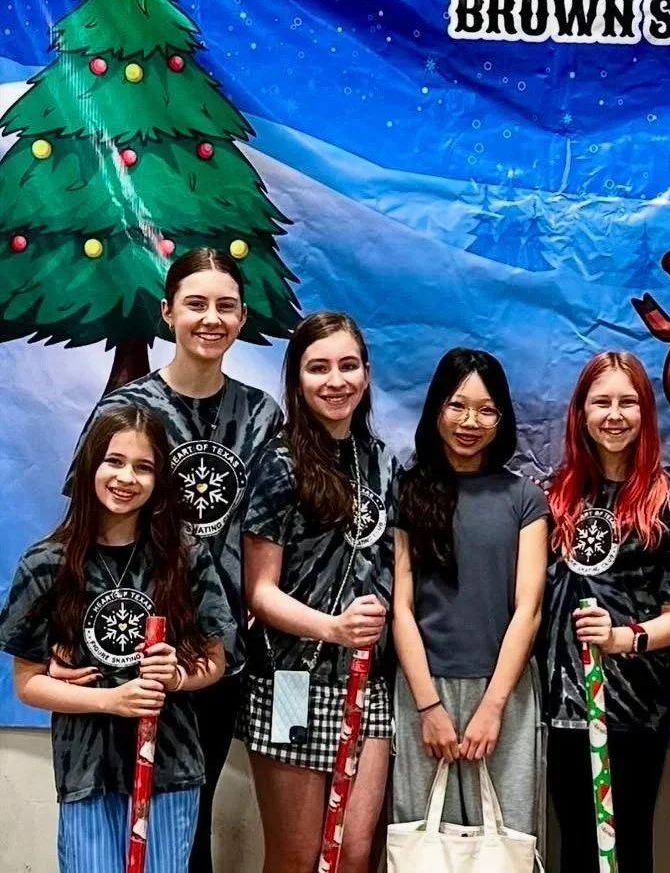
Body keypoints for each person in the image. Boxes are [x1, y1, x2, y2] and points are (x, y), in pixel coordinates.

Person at [58, 246, 283, 873]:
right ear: (168, 313)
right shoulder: (126, 410)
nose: (211, 318)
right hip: (126, 646)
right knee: (121, 824)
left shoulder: (262, 415)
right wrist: (64, 623)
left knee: (193, 821)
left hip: (212, 653)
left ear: (241, 319)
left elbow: (272, 533)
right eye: (196, 304)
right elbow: (80, 526)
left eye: (226, 306)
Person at [0, 406, 232, 873]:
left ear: (159, 479)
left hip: (170, 768)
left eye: (143, 467)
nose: (127, 477)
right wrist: (113, 701)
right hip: (88, 771)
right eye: (114, 461)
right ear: (90, 466)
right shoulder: (47, 563)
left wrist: (178, 678)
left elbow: (215, 662)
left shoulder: (184, 557)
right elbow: (27, 684)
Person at [239, 311, 396, 873]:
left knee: (355, 851)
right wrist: (331, 628)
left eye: (348, 366)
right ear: (297, 379)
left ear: (367, 373)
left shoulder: (380, 461)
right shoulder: (279, 462)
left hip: (369, 682)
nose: (336, 381)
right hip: (291, 681)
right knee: (298, 855)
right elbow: (259, 591)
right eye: (318, 368)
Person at [544, 351, 670, 873]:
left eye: (627, 402)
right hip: (565, 705)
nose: (614, 415)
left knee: (630, 845)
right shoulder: (556, 496)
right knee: (577, 849)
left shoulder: (667, 497)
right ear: (581, 413)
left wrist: (623, 638)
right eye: (601, 402)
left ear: (645, 413)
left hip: (635, 708)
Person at [392, 348, 547, 836]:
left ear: (501, 418)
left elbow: (529, 610)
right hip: (423, 689)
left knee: (507, 842)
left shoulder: (524, 497)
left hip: (506, 692)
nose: (470, 421)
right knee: (421, 840)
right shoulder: (407, 490)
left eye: (485, 410)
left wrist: (494, 707)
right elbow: (401, 607)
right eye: (457, 405)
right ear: (437, 408)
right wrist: (428, 707)